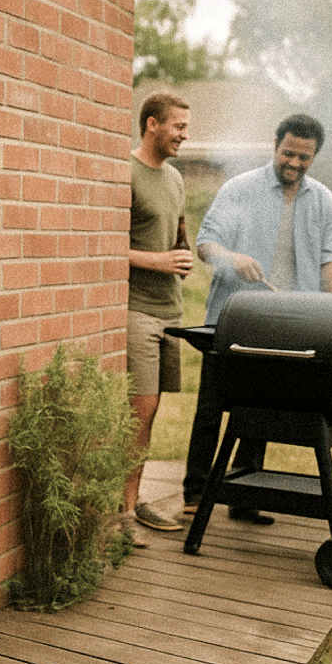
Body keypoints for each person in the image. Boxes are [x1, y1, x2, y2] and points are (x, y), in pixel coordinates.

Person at [184, 114, 332, 520]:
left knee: (260, 410)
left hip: (290, 320)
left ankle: (243, 495)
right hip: (235, 316)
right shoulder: (240, 188)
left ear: (314, 157)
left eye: (303, 157)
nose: (294, 162)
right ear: (275, 146)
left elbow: (330, 262)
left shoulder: (323, 200)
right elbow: (206, 245)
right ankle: (195, 492)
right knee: (212, 406)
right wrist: (232, 258)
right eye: (288, 153)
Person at [123, 91, 195, 538]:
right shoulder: (126, 173)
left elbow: (178, 232)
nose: (184, 136)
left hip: (171, 310)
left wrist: (180, 255)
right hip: (137, 311)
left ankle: (132, 497)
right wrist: (159, 261)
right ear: (151, 124)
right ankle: (126, 510)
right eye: (178, 127)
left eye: (186, 128)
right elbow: (106, 246)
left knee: (152, 413)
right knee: (139, 412)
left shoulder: (175, 179)